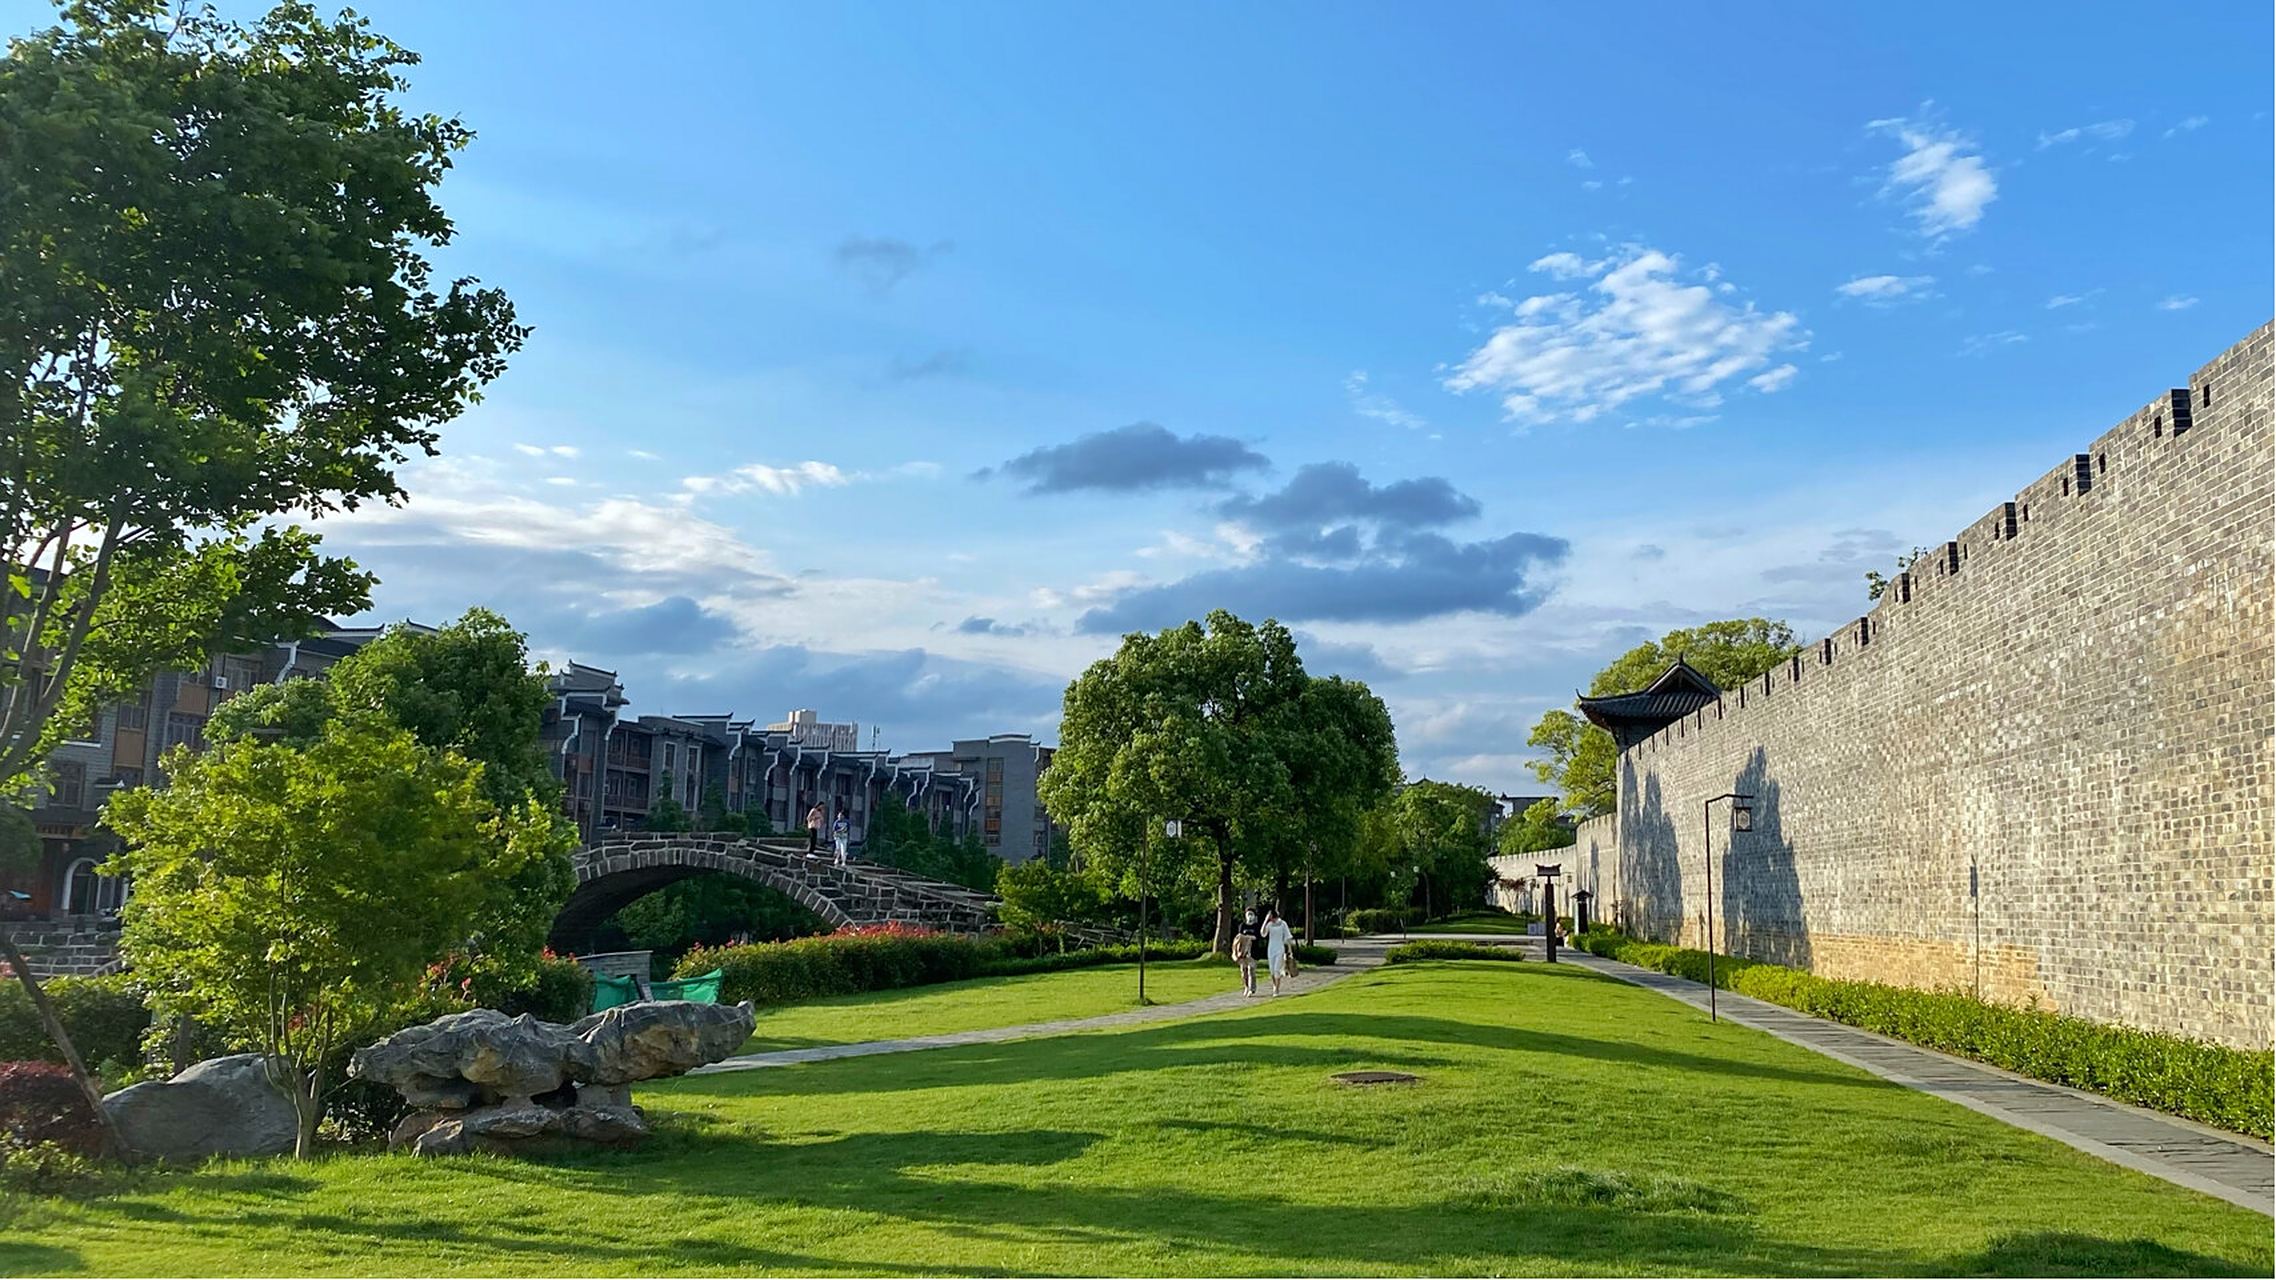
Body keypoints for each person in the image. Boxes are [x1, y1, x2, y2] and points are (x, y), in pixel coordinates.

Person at [1263, 906, 1295, 996]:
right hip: (1271, 948)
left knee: (1277, 969)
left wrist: (1289, 950)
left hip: (1279, 948)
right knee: (1272, 970)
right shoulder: (1269, 924)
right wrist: (1265, 921)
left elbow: (1287, 937)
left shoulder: (1283, 924)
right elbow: (1263, 933)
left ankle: (1276, 989)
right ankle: (1274, 985)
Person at [1233, 909, 1263, 997]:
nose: (1250, 916)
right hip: (1243, 952)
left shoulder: (1257, 926)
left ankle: (1251, 989)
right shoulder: (1242, 926)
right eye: (1248, 914)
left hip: (1253, 952)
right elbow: (1239, 937)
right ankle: (1246, 986)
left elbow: (1256, 937)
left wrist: (1247, 937)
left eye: (1251, 914)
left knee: (1251, 970)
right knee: (1244, 971)